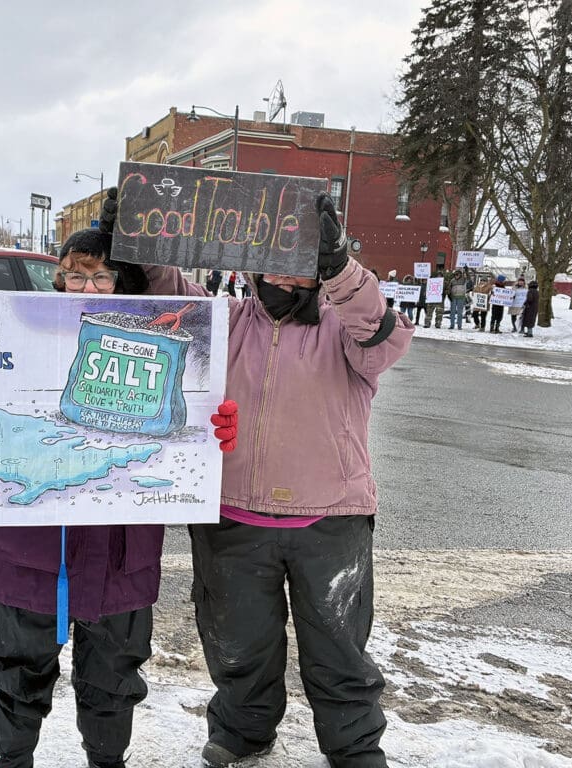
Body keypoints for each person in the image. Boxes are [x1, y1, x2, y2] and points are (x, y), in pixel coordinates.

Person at [0, 224, 235, 768]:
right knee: (16, 673)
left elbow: (206, 351)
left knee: (112, 680)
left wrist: (215, 427)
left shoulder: (163, 343)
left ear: (125, 281)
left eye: (101, 275)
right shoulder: (26, 340)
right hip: (29, 552)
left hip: (121, 555)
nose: (85, 286)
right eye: (73, 274)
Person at [190, 195, 413, 768]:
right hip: (233, 515)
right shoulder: (228, 321)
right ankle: (243, 731)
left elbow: (386, 335)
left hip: (329, 517)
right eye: (273, 253)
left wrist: (342, 267)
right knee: (241, 642)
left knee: (338, 646)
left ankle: (354, 745)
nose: (285, 267)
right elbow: (163, 309)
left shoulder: (346, 328)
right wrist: (140, 255)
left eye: (301, 254)